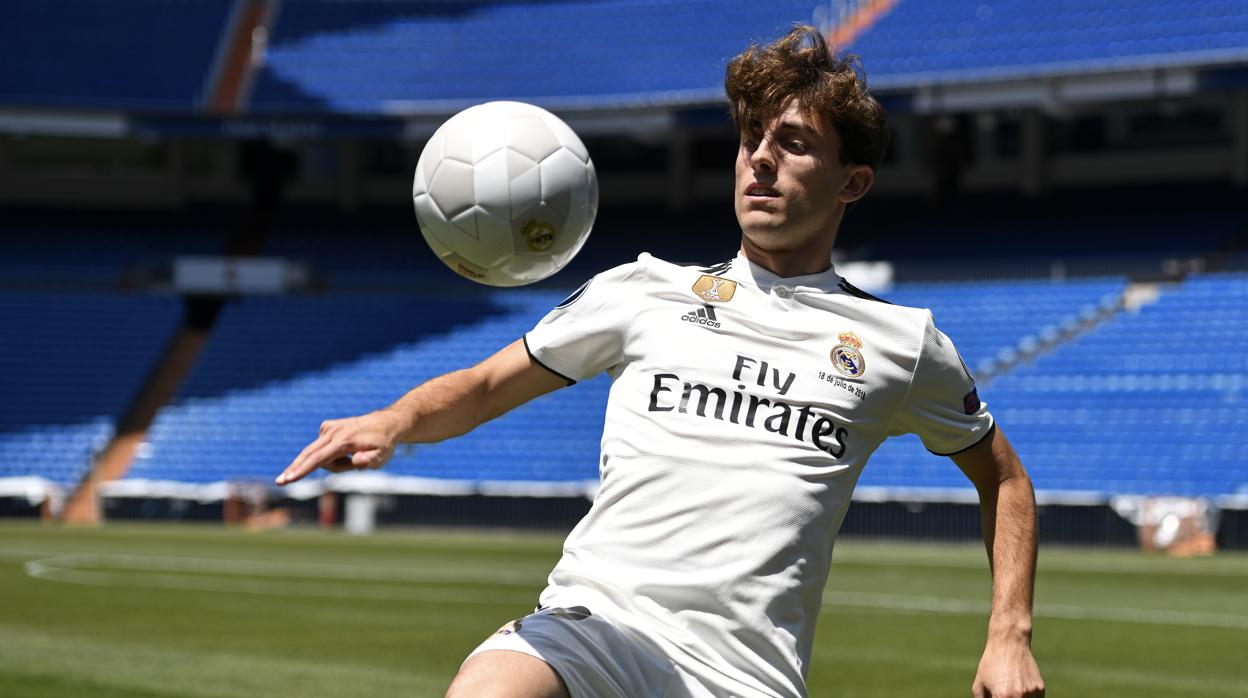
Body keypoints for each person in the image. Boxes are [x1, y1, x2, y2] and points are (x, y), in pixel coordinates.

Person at [276, 25, 1045, 698]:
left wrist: (1009, 633)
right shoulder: (641, 291)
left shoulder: (900, 343)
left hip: (744, 675)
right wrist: (395, 419)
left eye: (795, 143)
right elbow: (481, 386)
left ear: (854, 182)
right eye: (752, 140)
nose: (762, 162)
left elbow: (1005, 479)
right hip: (596, 627)